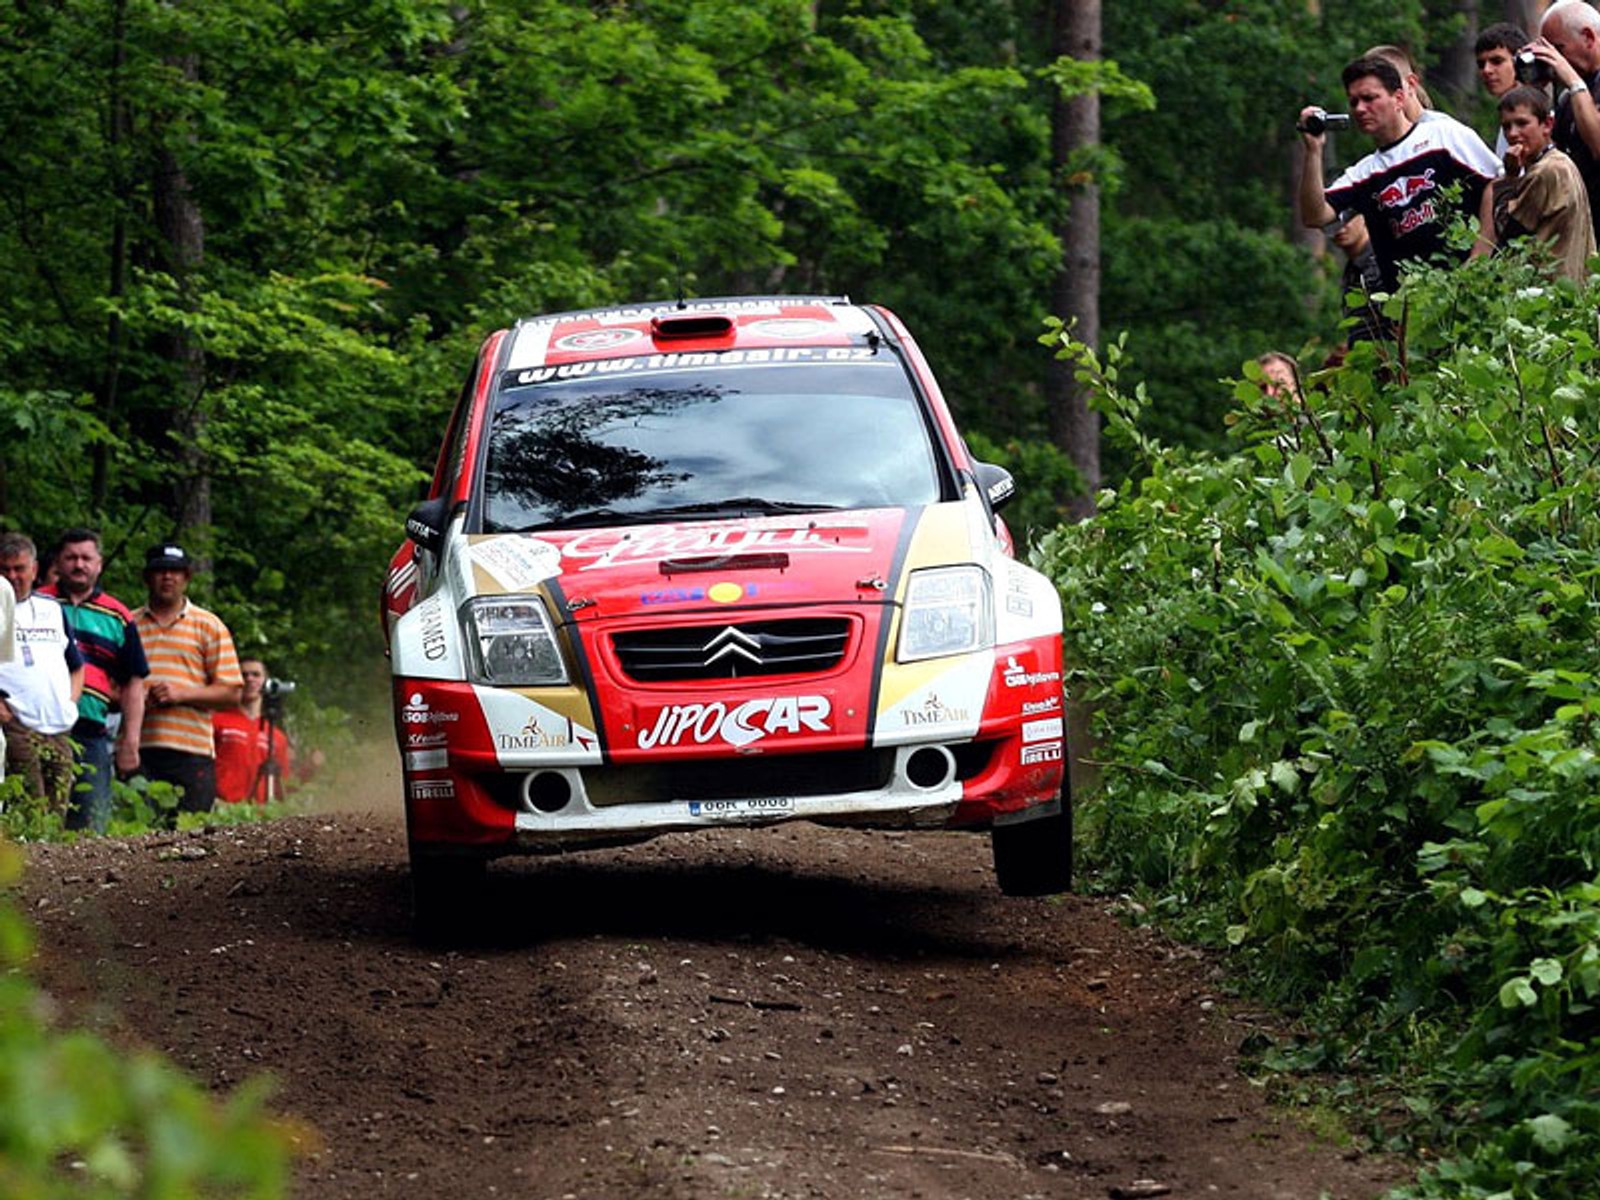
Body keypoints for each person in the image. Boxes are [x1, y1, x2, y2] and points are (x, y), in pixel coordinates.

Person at [1299, 56, 1501, 299]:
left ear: (1398, 98)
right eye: (1354, 102)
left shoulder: (1443, 136)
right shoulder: (1364, 174)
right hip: (1414, 308)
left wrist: (1479, 259)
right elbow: (1315, 215)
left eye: (1370, 98)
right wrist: (1313, 151)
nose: (1360, 108)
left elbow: (1498, 184)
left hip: (1474, 289)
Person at [40, 529, 149, 833]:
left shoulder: (117, 615)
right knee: (37, 818)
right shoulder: (36, 604)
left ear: (99, 564)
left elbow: (134, 682)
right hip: (38, 727)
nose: (79, 565)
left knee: (90, 826)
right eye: (71, 557)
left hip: (92, 732)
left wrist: (130, 740)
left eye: (86, 558)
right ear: (58, 563)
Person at [133, 543, 242, 819]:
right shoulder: (128, 624)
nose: (168, 577)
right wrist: (137, 698)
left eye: (175, 571)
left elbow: (231, 693)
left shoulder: (209, 625)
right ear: (147, 577)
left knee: (191, 836)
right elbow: (109, 686)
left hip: (192, 751)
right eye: (160, 571)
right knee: (136, 838)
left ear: (187, 577)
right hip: (138, 748)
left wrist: (181, 694)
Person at [0, 534, 85, 814]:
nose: (13, 576)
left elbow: (76, 665)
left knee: (57, 808)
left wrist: (70, 702)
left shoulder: (53, 610)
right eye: (5, 569)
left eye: (19, 568)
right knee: (29, 806)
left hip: (58, 724)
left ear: (34, 569)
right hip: (16, 723)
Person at [1479, 85, 1596, 280]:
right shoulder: (1563, 162)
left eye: (1522, 123)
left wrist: (1510, 178)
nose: (1513, 134)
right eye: (1507, 126)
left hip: (1548, 294)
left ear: (1548, 124)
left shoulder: (1545, 172)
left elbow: (1506, 233)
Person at [1526, 1, 1600, 244]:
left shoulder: (1576, 88)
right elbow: (1549, 155)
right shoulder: (1570, 97)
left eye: (1558, 49)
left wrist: (1571, 79)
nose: (1554, 60)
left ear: (1589, 38)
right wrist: (1533, 93)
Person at [212, 658, 294, 805]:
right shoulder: (217, 721)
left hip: (259, 815)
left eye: (256, 674)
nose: (249, 679)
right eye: (244, 675)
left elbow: (284, 785)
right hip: (222, 808)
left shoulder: (276, 736)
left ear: (266, 682)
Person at [1476, 23, 1537, 157]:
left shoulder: (1537, 114)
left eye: (1497, 61)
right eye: (1481, 64)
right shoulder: (1506, 116)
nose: (1487, 70)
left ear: (1520, 61)